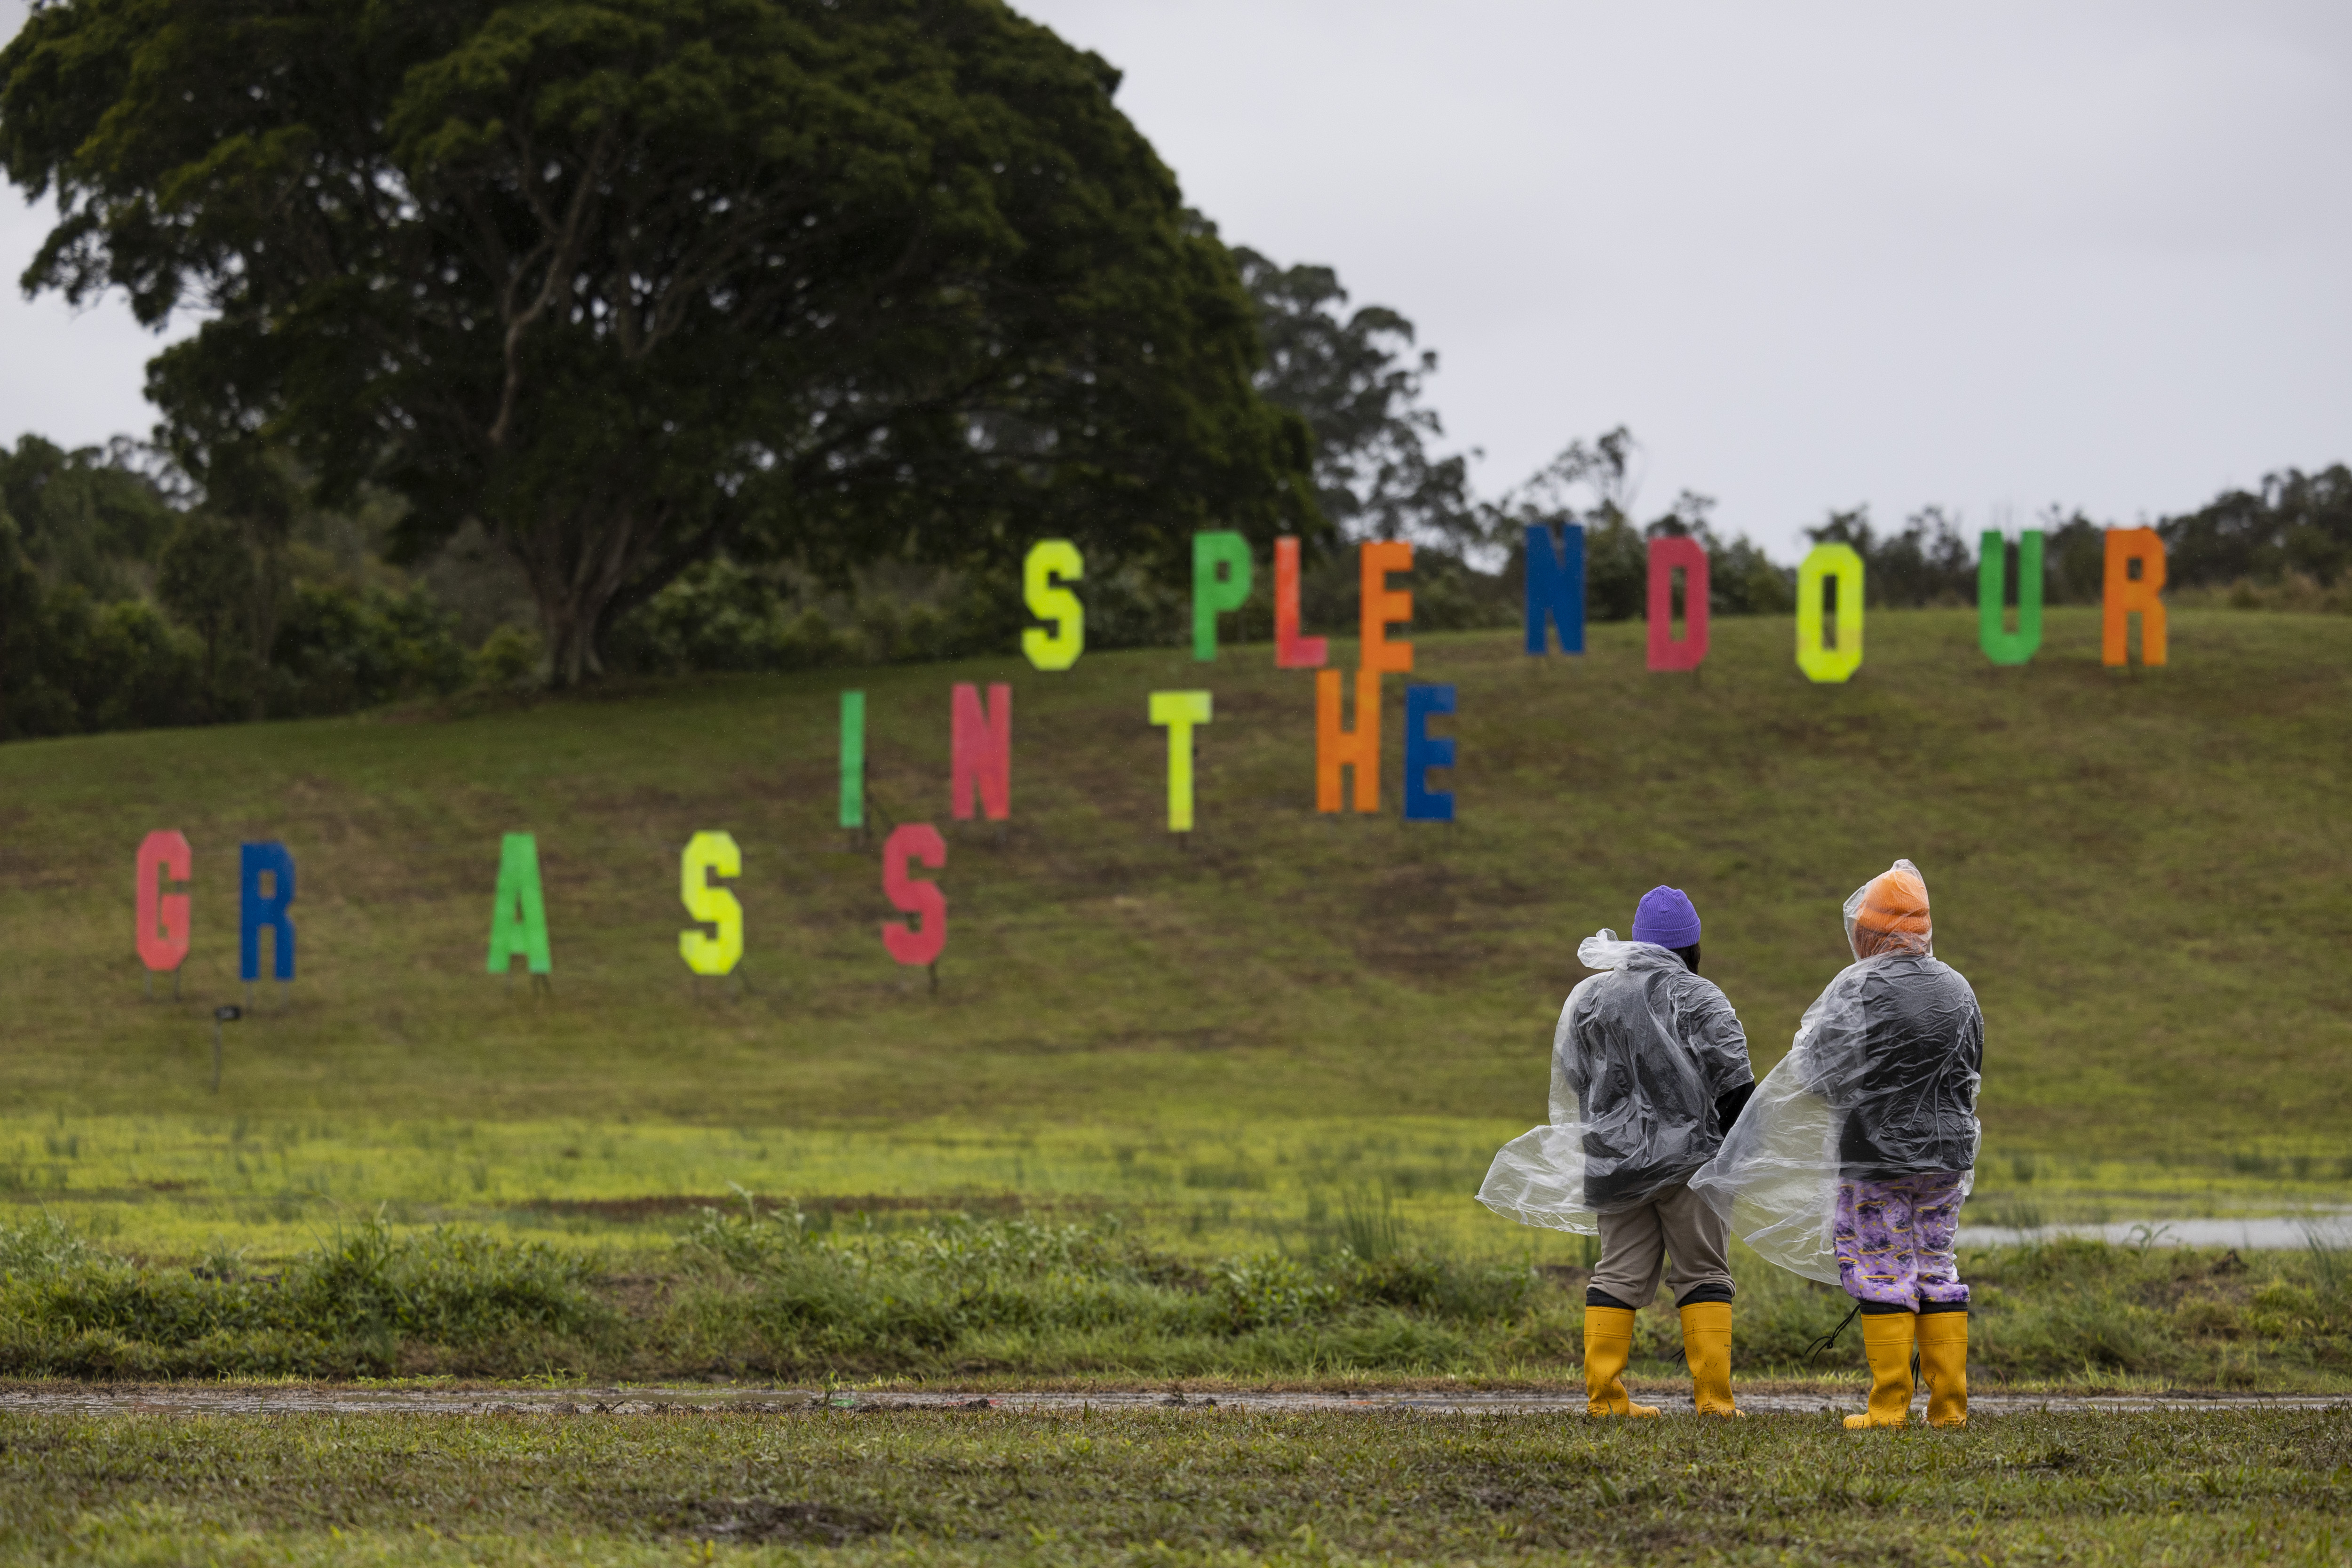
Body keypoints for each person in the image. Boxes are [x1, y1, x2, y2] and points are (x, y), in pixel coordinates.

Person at [1690, 859, 1983, 1430]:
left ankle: (1888, 1407)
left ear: (1869, 932)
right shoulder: (1957, 987)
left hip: (1873, 1157)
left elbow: (1818, 1069)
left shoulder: (1858, 986)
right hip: (1946, 1159)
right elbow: (1969, 1069)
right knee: (1935, 1266)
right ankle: (1948, 1408)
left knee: (1880, 1267)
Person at [1478, 885, 1756, 1417]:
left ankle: (1605, 1399)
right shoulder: (1699, 997)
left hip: (1613, 1162)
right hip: (1691, 1165)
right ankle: (1714, 1402)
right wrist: (1735, 1154)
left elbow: (1577, 1077)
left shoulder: (1591, 998)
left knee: (1617, 1274)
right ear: (1691, 944)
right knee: (1703, 1274)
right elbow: (1734, 1082)